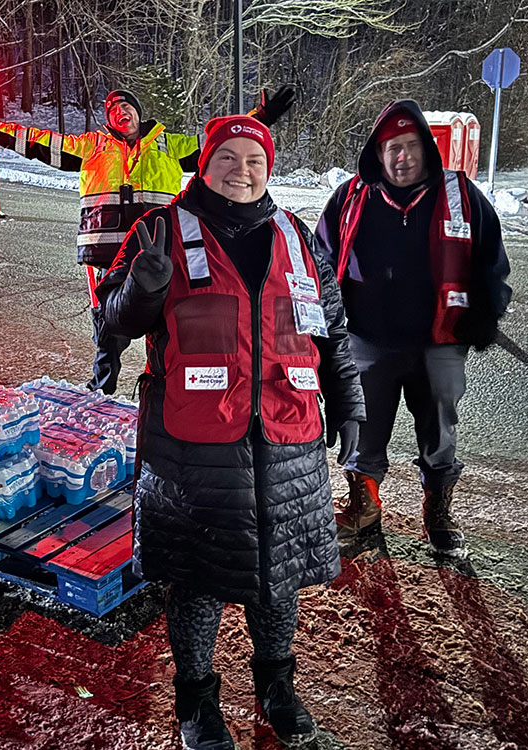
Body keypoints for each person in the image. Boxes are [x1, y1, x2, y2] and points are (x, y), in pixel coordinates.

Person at [97, 115, 365, 750]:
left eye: (254, 159)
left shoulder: (297, 236)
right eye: (227, 158)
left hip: (287, 440)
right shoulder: (160, 230)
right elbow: (110, 321)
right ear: (205, 163)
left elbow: (330, 331)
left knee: (278, 577)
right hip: (194, 448)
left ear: (267, 168)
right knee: (198, 580)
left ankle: (277, 688)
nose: (240, 170)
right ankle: (196, 703)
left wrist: (349, 403)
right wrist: (141, 288)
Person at [0, 87, 295, 395]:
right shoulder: (92, 146)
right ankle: (102, 392)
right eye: (112, 110)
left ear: (138, 114)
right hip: (107, 254)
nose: (119, 112)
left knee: (169, 324)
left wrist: (260, 118)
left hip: (159, 251)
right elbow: (42, 141)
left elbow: (220, 141)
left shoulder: (169, 145)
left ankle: (168, 392)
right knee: (109, 329)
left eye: (125, 106)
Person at [314, 99, 512, 559]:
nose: (402, 157)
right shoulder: (349, 199)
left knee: (440, 427)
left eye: (411, 146)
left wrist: (488, 310)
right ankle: (364, 508)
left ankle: (438, 510)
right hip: (365, 339)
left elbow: (492, 262)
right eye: (391, 148)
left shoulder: (460, 195)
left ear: (427, 148)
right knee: (361, 428)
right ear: (377, 155)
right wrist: (322, 324)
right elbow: (320, 263)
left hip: (439, 340)